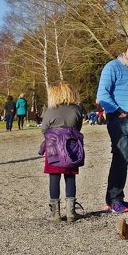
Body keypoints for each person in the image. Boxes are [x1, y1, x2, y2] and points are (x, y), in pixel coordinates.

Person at [96, 36, 128, 213]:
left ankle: (116, 198)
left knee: (124, 160)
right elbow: (103, 94)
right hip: (120, 119)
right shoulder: (112, 67)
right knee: (120, 159)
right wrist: (118, 112)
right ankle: (114, 200)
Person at [39, 82, 85, 223]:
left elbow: (44, 129)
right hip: (71, 147)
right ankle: (71, 212)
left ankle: (56, 213)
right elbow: (78, 127)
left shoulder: (50, 110)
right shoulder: (76, 109)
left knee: (54, 177)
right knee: (70, 178)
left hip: (54, 148)